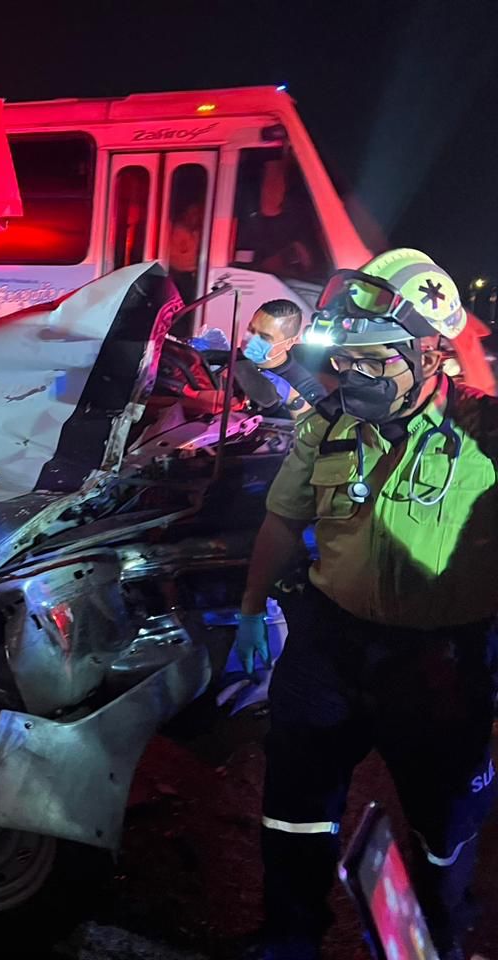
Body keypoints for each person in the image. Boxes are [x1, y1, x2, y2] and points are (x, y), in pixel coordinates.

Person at [234, 249, 498, 960]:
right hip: (331, 643)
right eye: (344, 360)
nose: (352, 375)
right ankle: (289, 937)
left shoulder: (487, 434)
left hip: (443, 660)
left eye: (372, 360)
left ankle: (436, 939)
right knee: (294, 805)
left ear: (432, 352)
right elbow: (285, 520)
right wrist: (254, 606)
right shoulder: (330, 426)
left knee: (446, 824)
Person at [235, 299, 327, 419]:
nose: (251, 340)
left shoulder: (306, 387)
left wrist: (292, 399)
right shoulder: (231, 359)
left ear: (290, 342)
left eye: (264, 337)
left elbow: (321, 429)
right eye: (251, 330)